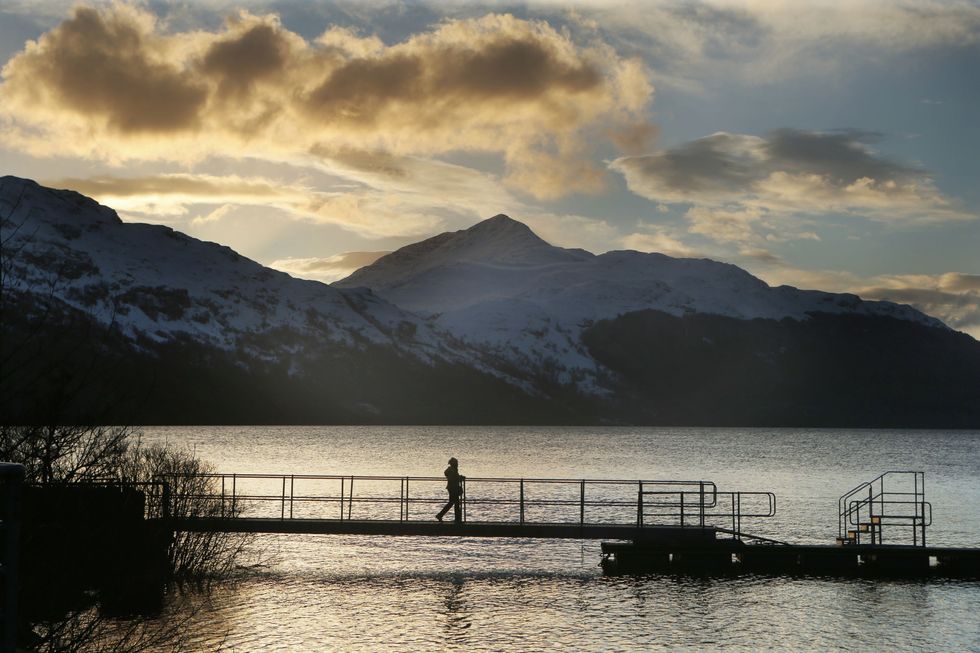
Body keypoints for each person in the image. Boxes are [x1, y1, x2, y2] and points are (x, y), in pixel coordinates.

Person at [436, 457, 464, 523]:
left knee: (453, 503)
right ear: (453, 463)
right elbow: (453, 478)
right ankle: (441, 515)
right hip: (453, 488)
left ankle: (456, 519)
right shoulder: (452, 470)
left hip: (452, 488)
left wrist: (459, 477)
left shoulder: (452, 470)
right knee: (454, 503)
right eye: (456, 463)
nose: (457, 464)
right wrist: (459, 478)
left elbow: (454, 477)